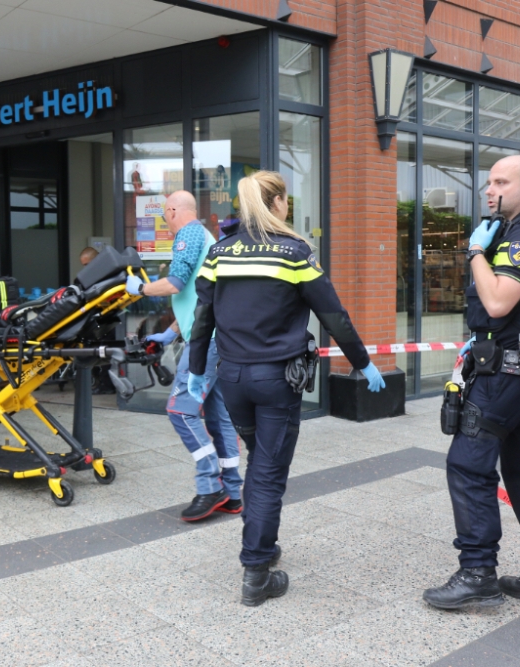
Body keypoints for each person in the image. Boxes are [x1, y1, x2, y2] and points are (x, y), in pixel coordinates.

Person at [187, 171, 385, 606]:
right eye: (286, 200)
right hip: (277, 380)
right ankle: (256, 570)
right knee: (269, 473)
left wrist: (197, 369)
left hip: (234, 378)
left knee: (261, 460)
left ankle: (265, 545)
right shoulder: (294, 252)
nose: (287, 207)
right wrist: (363, 362)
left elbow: (203, 316)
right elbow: (333, 315)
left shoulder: (221, 252)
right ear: (276, 203)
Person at [423, 155, 520, 613]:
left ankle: (477, 573)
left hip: (510, 372)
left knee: (468, 464)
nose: (490, 190)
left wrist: (474, 253)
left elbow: (496, 302)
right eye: (489, 182)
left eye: (501, 182)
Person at [125, 191, 242, 521]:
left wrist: (141, 289)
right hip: (217, 338)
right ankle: (233, 493)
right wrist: (172, 331)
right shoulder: (207, 237)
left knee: (180, 410)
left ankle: (210, 486)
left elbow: (175, 283)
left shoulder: (188, 234)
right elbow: (198, 297)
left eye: (165, 216)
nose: (166, 223)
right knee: (218, 419)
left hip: (206, 343)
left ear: (174, 210)